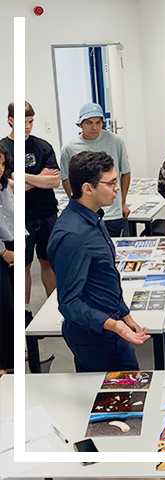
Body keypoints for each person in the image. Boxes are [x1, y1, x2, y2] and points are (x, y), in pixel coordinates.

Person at [47, 151, 150, 372]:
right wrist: (114, 326)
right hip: (94, 335)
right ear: (88, 188)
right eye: (111, 182)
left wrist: (123, 314)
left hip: (108, 324)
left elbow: (104, 275)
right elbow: (69, 303)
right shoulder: (73, 236)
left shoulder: (94, 217)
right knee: (126, 393)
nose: (118, 187)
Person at [1, 101, 60, 326]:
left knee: (48, 262)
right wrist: (39, 178)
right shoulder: (3, 149)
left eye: (31, 122)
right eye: (23, 122)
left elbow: (54, 180)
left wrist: (22, 177)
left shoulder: (42, 146)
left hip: (46, 213)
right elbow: (6, 184)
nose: (27, 126)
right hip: (18, 217)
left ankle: (54, 308)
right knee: (23, 266)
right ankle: (24, 312)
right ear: (10, 120)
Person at [60, 103, 131, 238]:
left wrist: (122, 202)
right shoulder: (69, 148)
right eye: (89, 123)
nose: (94, 127)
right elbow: (66, 179)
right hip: (85, 212)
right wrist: (76, 204)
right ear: (80, 124)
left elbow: (125, 171)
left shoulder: (116, 141)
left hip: (112, 212)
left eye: (98, 123)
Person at [0, 146, 14, 373]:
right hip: (2, 251)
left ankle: (9, 356)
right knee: (4, 306)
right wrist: (3, 252)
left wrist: (20, 241)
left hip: (11, 245)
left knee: (10, 303)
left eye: (2, 164)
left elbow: (14, 211)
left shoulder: (4, 186)